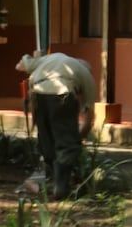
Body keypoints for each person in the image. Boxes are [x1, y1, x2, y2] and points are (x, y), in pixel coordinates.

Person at [16, 52, 96, 199]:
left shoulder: (51, 58)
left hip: (38, 94)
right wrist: (77, 139)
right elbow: (89, 117)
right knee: (67, 147)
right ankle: (61, 187)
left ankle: (52, 182)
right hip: (62, 94)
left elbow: (22, 65)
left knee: (47, 142)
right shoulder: (86, 75)